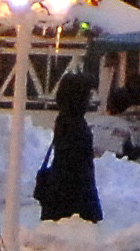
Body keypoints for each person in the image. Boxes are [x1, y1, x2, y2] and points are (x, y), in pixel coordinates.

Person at [34, 69, 103, 223]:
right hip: (72, 202)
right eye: (87, 95)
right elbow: (77, 168)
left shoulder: (64, 120)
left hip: (59, 198)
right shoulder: (76, 125)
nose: (89, 100)